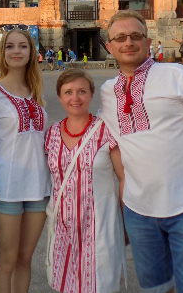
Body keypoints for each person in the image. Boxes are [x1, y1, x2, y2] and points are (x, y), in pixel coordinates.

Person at [101, 10, 183, 293]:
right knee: (156, 288)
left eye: (136, 36)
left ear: (148, 42)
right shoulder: (108, 91)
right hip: (138, 210)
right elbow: (106, 142)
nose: (128, 42)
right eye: (120, 38)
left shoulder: (178, 75)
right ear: (109, 47)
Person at [45, 69, 127, 293]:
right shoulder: (51, 134)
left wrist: (127, 222)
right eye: (68, 92)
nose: (75, 98)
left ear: (91, 95)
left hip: (99, 226)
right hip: (63, 226)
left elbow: (123, 178)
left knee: (98, 284)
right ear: (60, 97)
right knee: (66, 284)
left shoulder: (105, 132)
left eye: (82, 91)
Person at [0, 25, 49, 293]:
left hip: (39, 189)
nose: (16, 51)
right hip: (7, 190)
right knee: (7, 261)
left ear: (31, 51)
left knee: (25, 259)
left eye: (22, 46)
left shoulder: (37, 93)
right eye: (10, 46)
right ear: (2, 53)